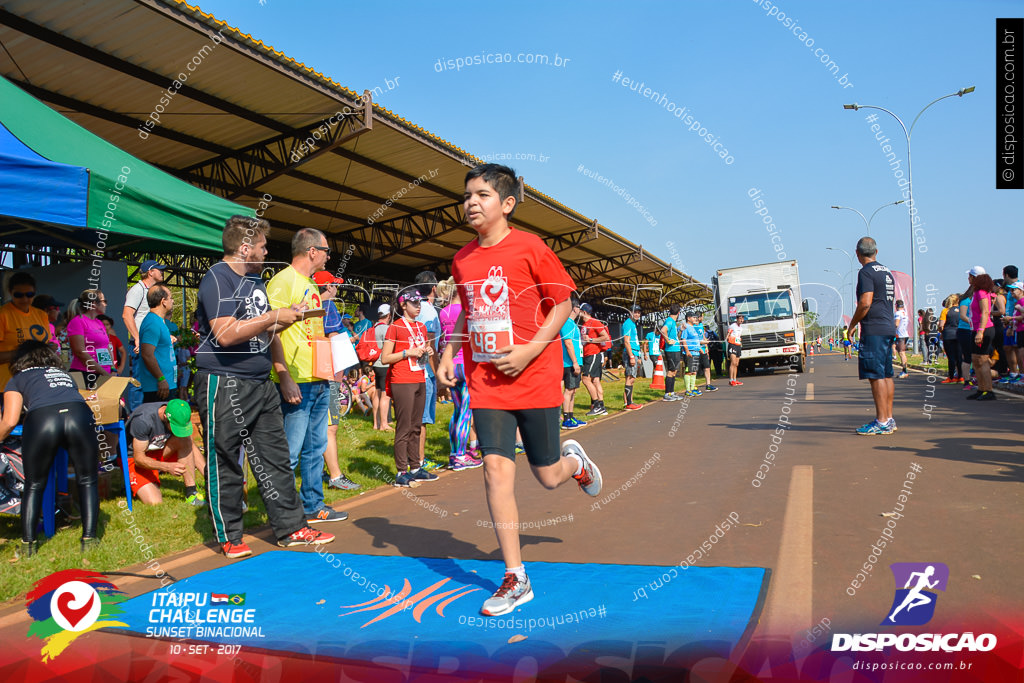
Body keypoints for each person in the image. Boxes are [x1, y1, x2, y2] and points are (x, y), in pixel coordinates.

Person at [438, 163, 602, 617]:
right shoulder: (462, 258)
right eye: (467, 194)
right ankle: (516, 577)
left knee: (547, 476)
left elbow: (563, 303)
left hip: (535, 376)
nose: (471, 202)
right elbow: (468, 313)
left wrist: (530, 350)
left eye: (483, 195)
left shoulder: (531, 247)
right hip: (487, 380)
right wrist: (446, 355)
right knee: (494, 470)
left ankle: (575, 463)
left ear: (507, 204)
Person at [194, 215, 335, 559]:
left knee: (276, 458)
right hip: (224, 381)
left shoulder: (256, 280)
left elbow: (264, 330)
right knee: (225, 457)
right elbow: (225, 334)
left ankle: (291, 527)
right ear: (244, 248)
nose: (266, 251)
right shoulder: (217, 278)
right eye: (261, 246)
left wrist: (282, 361)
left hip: (260, 382)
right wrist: (274, 317)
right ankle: (229, 535)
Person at [267, 228, 349, 524]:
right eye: (326, 250)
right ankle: (284, 513)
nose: (329, 256)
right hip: (296, 378)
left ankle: (313, 505)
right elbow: (270, 330)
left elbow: (315, 330)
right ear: (312, 251)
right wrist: (283, 374)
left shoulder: (311, 285)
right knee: (290, 449)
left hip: (318, 376)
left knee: (315, 447)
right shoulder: (282, 281)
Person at [0, 341, 98, 556]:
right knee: (88, 479)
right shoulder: (63, 375)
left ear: (20, 360)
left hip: (43, 419)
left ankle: (28, 546)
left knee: (34, 484)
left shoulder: (17, 379)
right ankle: (89, 540)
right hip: (79, 415)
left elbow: (9, 421)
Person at [381, 289, 434, 487]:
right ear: (403, 305)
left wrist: (427, 351)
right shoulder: (394, 326)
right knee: (403, 427)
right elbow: (385, 358)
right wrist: (407, 352)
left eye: (419, 302)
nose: (418, 306)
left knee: (416, 425)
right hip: (402, 380)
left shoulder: (421, 326)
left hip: (420, 376)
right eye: (414, 303)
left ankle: (415, 467)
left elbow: (421, 352)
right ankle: (401, 472)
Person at [314, 270, 361, 492]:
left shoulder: (308, 303)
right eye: (334, 285)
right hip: (330, 374)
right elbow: (333, 338)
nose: (336, 289)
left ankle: (321, 470)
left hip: (313, 372)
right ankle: (335, 476)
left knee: (318, 427)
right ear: (327, 287)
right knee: (330, 427)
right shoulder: (330, 307)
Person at [846, 237, 897, 435]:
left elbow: (865, 302)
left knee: (875, 376)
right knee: (886, 374)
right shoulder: (886, 271)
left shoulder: (865, 272)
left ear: (857, 254)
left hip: (874, 328)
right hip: (887, 326)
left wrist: (852, 324)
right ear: (876, 252)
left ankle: (882, 421)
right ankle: (889, 418)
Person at [125, 399, 206, 506]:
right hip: (135, 458)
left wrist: (210, 477)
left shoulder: (178, 410)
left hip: (158, 450)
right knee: (155, 503)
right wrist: (167, 467)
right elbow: (138, 459)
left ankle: (193, 492)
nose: (175, 431)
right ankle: (135, 484)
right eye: (174, 427)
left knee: (185, 439)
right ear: (165, 417)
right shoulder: (143, 420)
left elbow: (187, 441)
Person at [438, 278, 481, 470]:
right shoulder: (465, 311)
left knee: (457, 412)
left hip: (450, 363)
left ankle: (455, 454)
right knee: (466, 412)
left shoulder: (444, 312)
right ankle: (461, 455)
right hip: (466, 365)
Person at [122, 260, 167, 411]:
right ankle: (137, 418)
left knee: (153, 382)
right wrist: (137, 339)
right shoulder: (137, 290)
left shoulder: (151, 291)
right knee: (139, 383)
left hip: (152, 344)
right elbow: (127, 315)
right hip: (141, 344)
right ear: (150, 272)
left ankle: (153, 416)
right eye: (159, 269)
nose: (162, 272)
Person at [0, 272, 53, 390]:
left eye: (29, 294)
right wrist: (25, 353)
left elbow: (47, 345)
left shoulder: (41, 315)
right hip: (8, 386)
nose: (24, 299)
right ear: (10, 292)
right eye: (18, 295)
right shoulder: (3, 315)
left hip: (37, 383)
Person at [414, 271, 443, 469]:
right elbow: (430, 346)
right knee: (422, 420)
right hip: (425, 371)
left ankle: (416, 459)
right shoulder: (430, 312)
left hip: (415, 370)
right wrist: (437, 374)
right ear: (433, 288)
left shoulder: (417, 309)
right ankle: (420, 460)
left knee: (416, 418)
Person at [67, 289, 115, 389]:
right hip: (85, 374)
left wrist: (113, 369)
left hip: (104, 374)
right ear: (94, 304)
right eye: (104, 301)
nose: (106, 304)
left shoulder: (99, 322)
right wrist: (104, 373)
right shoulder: (78, 321)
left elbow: (106, 347)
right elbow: (80, 352)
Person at [137, 285, 178, 403]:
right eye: (170, 298)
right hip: (158, 387)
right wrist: (161, 379)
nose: (172, 301)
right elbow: (147, 354)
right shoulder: (152, 322)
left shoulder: (159, 321)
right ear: (163, 301)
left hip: (166, 384)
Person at [965, 268, 996, 401]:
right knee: (976, 359)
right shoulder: (977, 292)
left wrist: (980, 331)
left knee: (982, 360)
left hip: (984, 329)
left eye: (970, 276)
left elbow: (985, 312)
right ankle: (981, 388)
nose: (968, 279)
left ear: (975, 277)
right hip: (976, 329)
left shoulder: (982, 293)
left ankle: (988, 390)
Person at [560, 298, 586, 429]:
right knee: (569, 390)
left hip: (576, 361)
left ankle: (571, 415)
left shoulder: (573, 324)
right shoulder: (567, 323)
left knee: (573, 390)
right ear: (575, 308)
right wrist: (575, 362)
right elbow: (568, 343)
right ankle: (566, 418)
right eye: (579, 308)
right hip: (569, 362)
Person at [578, 303, 608, 415]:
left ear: (584, 312)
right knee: (595, 380)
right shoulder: (585, 324)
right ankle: (601, 406)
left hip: (593, 354)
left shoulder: (594, 322)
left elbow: (605, 337)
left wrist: (590, 340)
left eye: (580, 311)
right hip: (587, 354)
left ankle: (596, 405)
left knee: (585, 379)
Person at [371, 304, 393, 431]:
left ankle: (376, 423)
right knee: (385, 395)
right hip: (384, 364)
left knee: (377, 393)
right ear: (388, 315)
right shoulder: (386, 329)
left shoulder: (373, 327)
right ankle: (384, 424)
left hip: (374, 364)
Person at [659, 304, 683, 400]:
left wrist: (680, 330)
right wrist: (668, 340)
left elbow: (675, 336)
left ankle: (671, 392)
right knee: (671, 371)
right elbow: (663, 330)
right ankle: (667, 394)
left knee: (674, 371)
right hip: (671, 349)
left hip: (675, 349)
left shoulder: (672, 322)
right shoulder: (669, 321)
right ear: (678, 313)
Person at [621, 305, 643, 409]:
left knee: (631, 378)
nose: (637, 314)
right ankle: (629, 403)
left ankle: (628, 401)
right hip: (631, 353)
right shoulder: (628, 324)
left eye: (639, 312)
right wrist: (631, 356)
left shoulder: (633, 324)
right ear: (630, 312)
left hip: (635, 352)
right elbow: (626, 341)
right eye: (635, 312)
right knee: (630, 378)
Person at [939, 294, 962, 384]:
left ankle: (951, 377)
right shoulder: (962, 310)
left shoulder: (945, 311)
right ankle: (960, 376)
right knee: (959, 356)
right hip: (959, 334)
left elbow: (941, 325)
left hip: (948, 335)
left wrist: (942, 332)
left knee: (951, 357)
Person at [680, 309, 704, 396]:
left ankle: (693, 388)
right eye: (694, 317)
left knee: (694, 371)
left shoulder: (693, 327)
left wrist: (699, 348)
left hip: (696, 352)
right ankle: (687, 390)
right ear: (688, 318)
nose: (695, 319)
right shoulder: (686, 327)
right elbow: (683, 340)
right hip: (690, 352)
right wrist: (687, 351)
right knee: (689, 371)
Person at [957, 286, 976, 389]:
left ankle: (972, 378)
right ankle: (967, 381)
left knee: (974, 356)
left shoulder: (974, 300)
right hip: (965, 330)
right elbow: (963, 316)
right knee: (968, 356)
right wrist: (973, 322)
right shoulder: (966, 300)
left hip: (972, 330)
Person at [695, 313, 717, 392]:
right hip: (697, 349)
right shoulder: (693, 326)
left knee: (707, 367)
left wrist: (706, 346)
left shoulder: (701, 325)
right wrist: (701, 343)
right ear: (699, 317)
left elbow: (703, 335)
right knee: (694, 369)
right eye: (702, 317)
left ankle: (708, 384)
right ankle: (693, 387)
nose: (702, 318)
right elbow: (694, 339)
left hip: (704, 349)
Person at [893, 300, 910, 378]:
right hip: (905, 334)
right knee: (901, 352)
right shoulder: (905, 313)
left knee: (901, 353)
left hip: (900, 335)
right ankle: (904, 370)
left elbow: (896, 324)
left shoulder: (897, 313)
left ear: (896, 306)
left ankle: (905, 371)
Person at [727, 313, 744, 386]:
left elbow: (739, 336)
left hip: (738, 345)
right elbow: (728, 334)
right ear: (737, 319)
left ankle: (735, 379)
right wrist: (728, 338)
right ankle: (731, 380)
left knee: (736, 364)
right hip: (732, 345)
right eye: (740, 318)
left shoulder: (741, 328)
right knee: (733, 362)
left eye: (742, 319)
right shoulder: (733, 326)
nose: (741, 320)